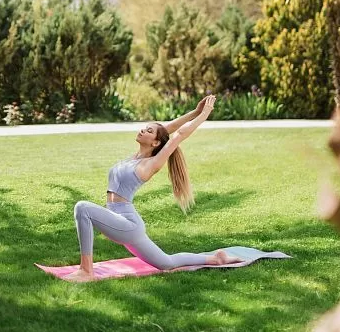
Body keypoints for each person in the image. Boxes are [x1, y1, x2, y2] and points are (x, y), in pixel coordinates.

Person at [65, 94, 244, 282]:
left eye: (148, 131)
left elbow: (178, 135)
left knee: (82, 207)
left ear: (155, 143)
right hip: (120, 220)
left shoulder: (150, 164)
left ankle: (86, 270)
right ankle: (216, 258)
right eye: (144, 128)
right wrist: (195, 111)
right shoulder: (136, 157)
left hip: (128, 224)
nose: (143, 130)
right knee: (166, 263)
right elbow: (168, 129)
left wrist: (204, 114)